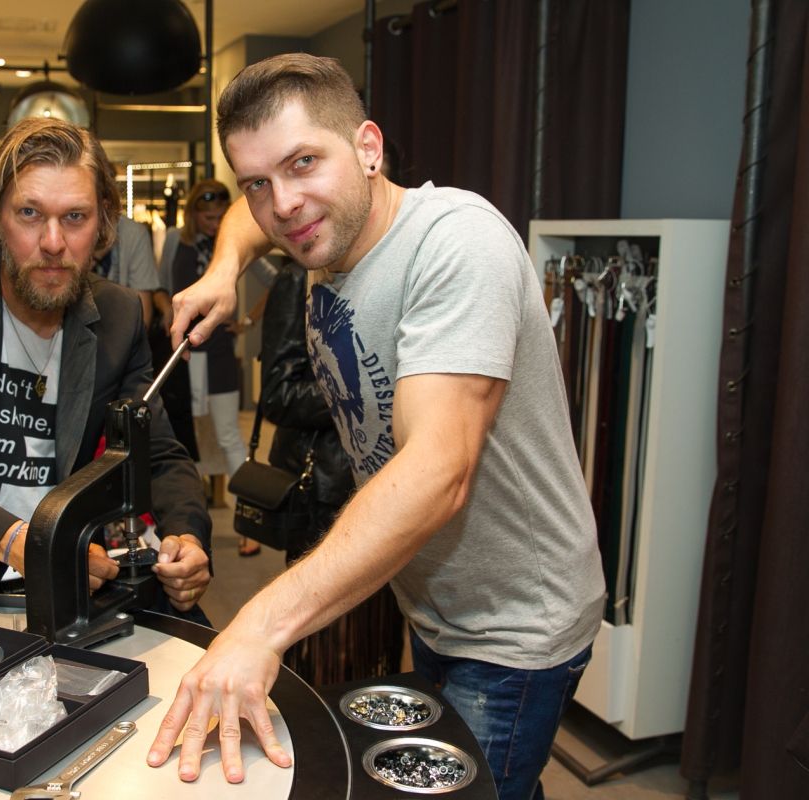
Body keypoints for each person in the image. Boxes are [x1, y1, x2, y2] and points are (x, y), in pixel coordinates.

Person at [146, 53, 604, 800]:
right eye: (257, 181)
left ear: (368, 147)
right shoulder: (320, 227)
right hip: (436, 600)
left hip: (516, 624)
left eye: (304, 163)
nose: (283, 204)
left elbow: (437, 473)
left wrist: (259, 625)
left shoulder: (456, 243)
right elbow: (250, 218)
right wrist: (224, 269)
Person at [0, 117, 211, 618]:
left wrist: (188, 538)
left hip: (71, 583)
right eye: (29, 213)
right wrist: (21, 543)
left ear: (102, 223)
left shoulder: (118, 315)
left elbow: (154, 451)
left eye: (75, 217)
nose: (52, 242)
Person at [260, 263, 402, 686]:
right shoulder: (297, 279)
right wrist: (366, 393)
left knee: (376, 642)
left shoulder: (392, 271)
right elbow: (278, 395)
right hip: (323, 492)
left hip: (390, 486)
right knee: (325, 650)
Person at [159, 179, 254, 556]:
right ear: (194, 214)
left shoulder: (233, 245)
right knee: (188, 438)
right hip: (186, 354)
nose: (215, 224)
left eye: (220, 217)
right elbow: (164, 287)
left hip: (219, 356)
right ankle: (190, 526)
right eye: (208, 217)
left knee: (229, 435)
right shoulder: (175, 241)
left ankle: (248, 521)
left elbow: (275, 278)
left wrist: (246, 321)